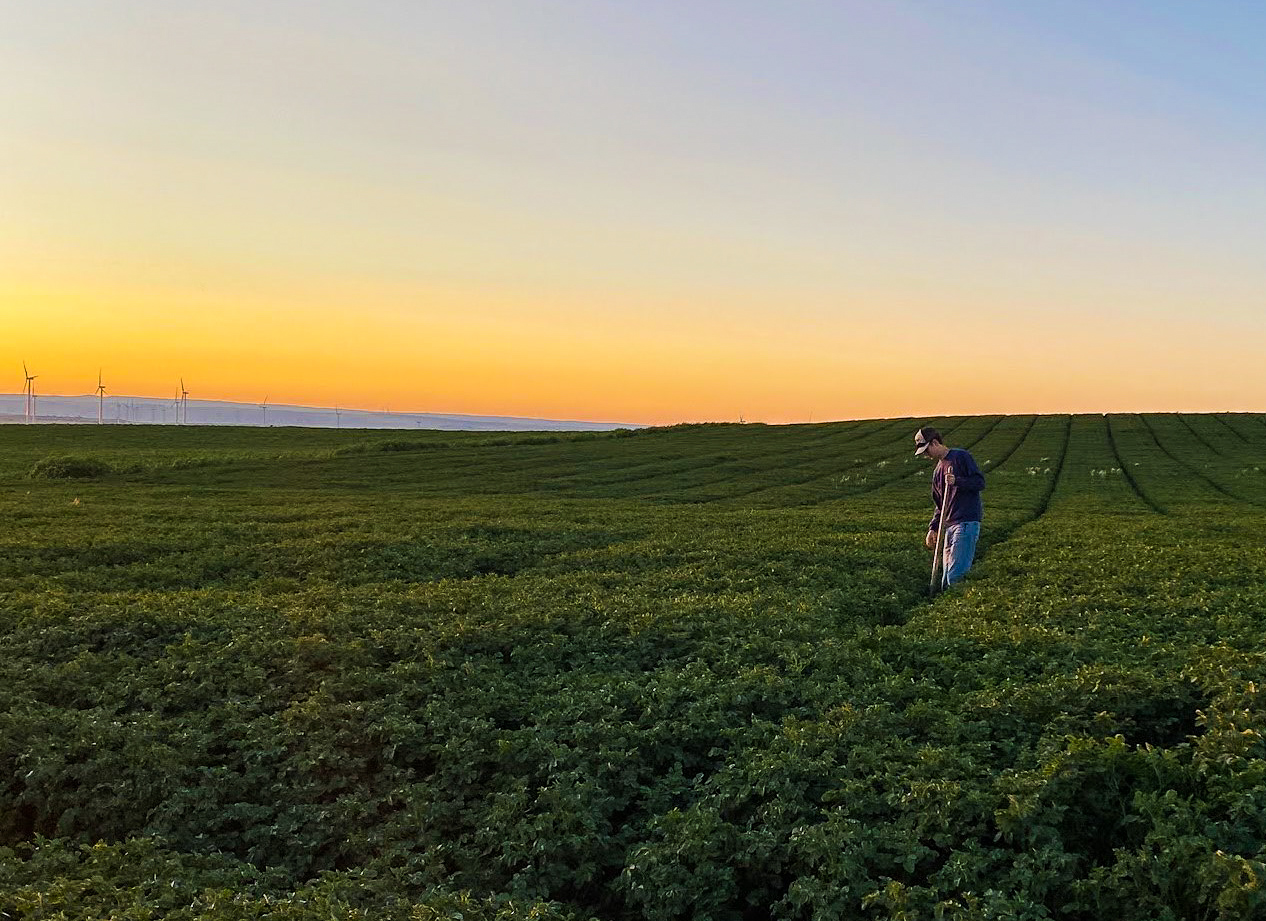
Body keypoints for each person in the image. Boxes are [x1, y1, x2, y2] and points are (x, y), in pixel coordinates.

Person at [914, 426, 985, 588]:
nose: (926, 455)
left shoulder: (961, 457)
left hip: (966, 522)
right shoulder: (938, 471)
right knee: (946, 576)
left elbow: (979, 483)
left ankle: (960, 608)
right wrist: (933, 527)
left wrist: (957, 481)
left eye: (926, 450)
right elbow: (940, 505)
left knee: (956, 574)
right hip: (950, 525)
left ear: (935, 443)